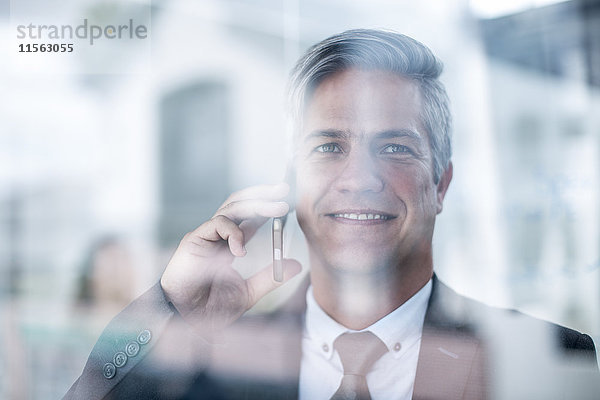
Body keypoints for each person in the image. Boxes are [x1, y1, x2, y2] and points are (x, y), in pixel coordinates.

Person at [64, 29, 599, 400]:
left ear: (441, 184)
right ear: (289, 186)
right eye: (328, 146)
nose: (360, 177)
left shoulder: (547, 361)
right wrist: (168, 307)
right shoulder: (218, 363)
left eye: (394, 147)